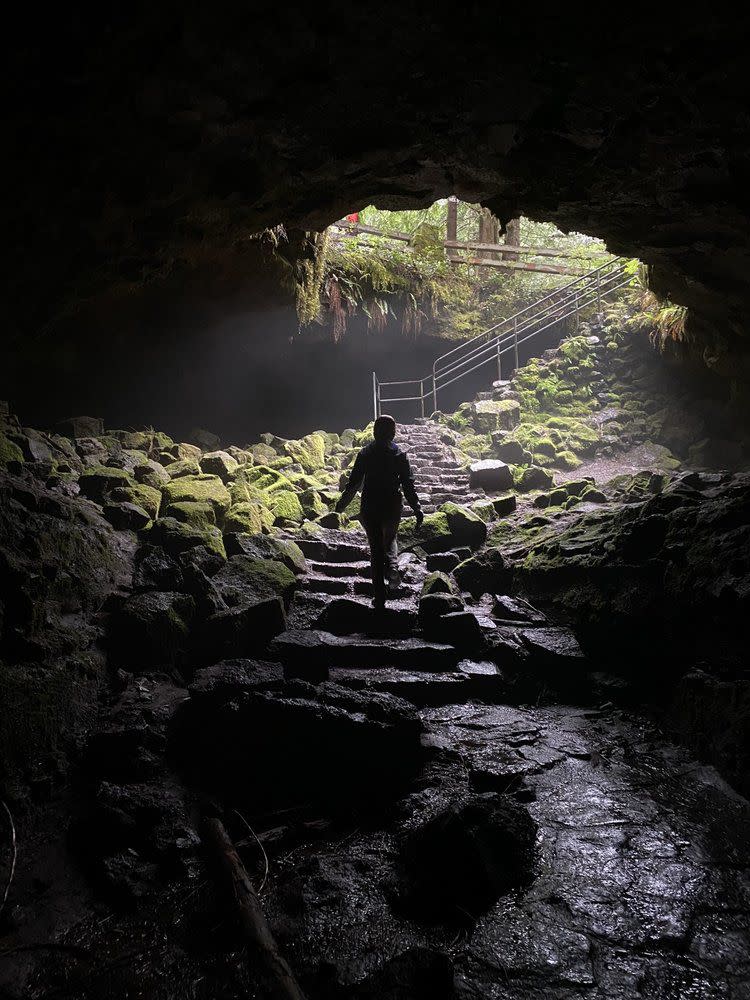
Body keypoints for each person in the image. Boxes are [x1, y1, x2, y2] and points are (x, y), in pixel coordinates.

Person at [335, 415, 423, 610]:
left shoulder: (365, 453)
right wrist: (417, 507)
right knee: (390, 538)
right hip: (392, 503)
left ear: (375, 431)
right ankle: (392, 566)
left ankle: (380, 597)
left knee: (375, 548)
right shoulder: (399, 455)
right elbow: (408, 484)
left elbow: (354, 483)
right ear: (393, 432)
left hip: (370, 504)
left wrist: (341, 504)